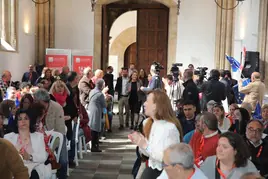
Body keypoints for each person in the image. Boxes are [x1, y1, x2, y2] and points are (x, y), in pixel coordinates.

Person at [128, 90, 183, 179]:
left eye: (147, 101)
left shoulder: (169, 128)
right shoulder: (151, 123)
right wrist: (140, 143)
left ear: (156, 106)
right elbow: (150, 154)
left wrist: (145, 145)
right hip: (152, 170)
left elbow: (168, 158)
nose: (144, 104)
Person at [4, 109, 51, 179]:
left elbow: (43, 157)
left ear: (30, 121)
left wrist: (29, 157)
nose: (23, 121)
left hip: (34, 168)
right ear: (16, 123)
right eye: (20, 119)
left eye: (26, 118)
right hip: (15, 168)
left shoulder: (38, 136)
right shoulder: (8, 137)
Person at [87, 79, 106, 152]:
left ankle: (92, 144)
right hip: (97, 111)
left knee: (92, 126)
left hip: (90, 110)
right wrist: (105, 113)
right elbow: (104, 105)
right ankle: (94, 146)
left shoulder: (92, 91)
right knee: (96, 128)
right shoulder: (100, 94)